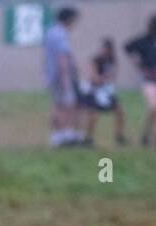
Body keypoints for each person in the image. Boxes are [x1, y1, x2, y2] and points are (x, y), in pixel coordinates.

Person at [44, 7, 85, 148]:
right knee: (66, 105)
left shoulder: (51, 32)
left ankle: (59, 135)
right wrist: (66, 78)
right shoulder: (60, 34)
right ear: (69, 19)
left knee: (59, 105)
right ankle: (63, 135)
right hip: (62, 76)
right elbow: (62, 57)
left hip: (53, 75)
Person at [81, 38, 127, 146]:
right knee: (94, 114)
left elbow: (113, 75)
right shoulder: (96, 60)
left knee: (120, 112)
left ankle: (119, 136)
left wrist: (107, 79)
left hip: (105, 90)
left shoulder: (112, 60)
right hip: (94, 91)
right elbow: (93, 77)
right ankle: (88, 138)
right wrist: (102, 79)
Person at [124, 15, 156, 148]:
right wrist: (138, 64)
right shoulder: (145, 41)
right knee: (154, 107)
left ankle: (148, 136)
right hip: (149, 79)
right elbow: (128, 47)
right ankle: (147, 134)